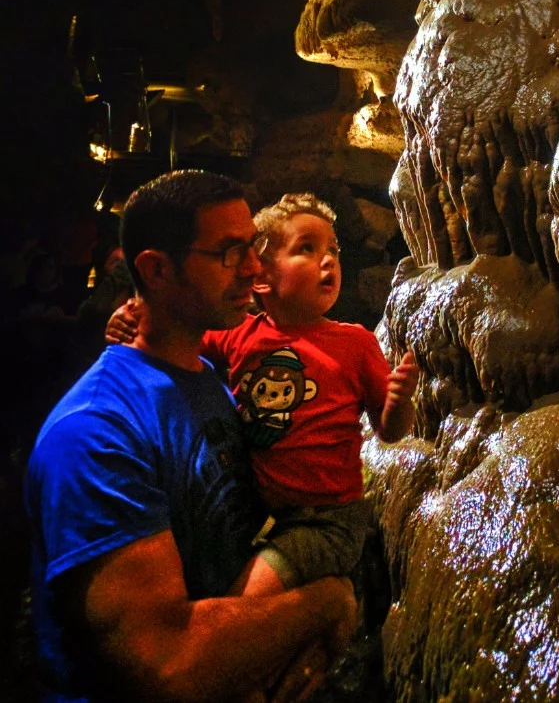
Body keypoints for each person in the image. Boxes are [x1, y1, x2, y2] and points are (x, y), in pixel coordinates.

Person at [25, 170, 356, 703]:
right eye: (229, 253)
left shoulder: (211, 384)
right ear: (156, 269)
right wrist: (325, 601)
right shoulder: (95, 432)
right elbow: (168, 664)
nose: (253, 269)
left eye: (252, 247)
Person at [109, 192, 419, 596]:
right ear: (260, 279)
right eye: (306, 249)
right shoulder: (240, 335)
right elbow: (174, 334)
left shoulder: (355, 343)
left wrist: (398, 402)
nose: (328, 260)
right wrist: (131, 316)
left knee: (247, 597)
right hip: (259, 514)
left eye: (333, 250)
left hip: (326, 521)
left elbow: (390, 432)